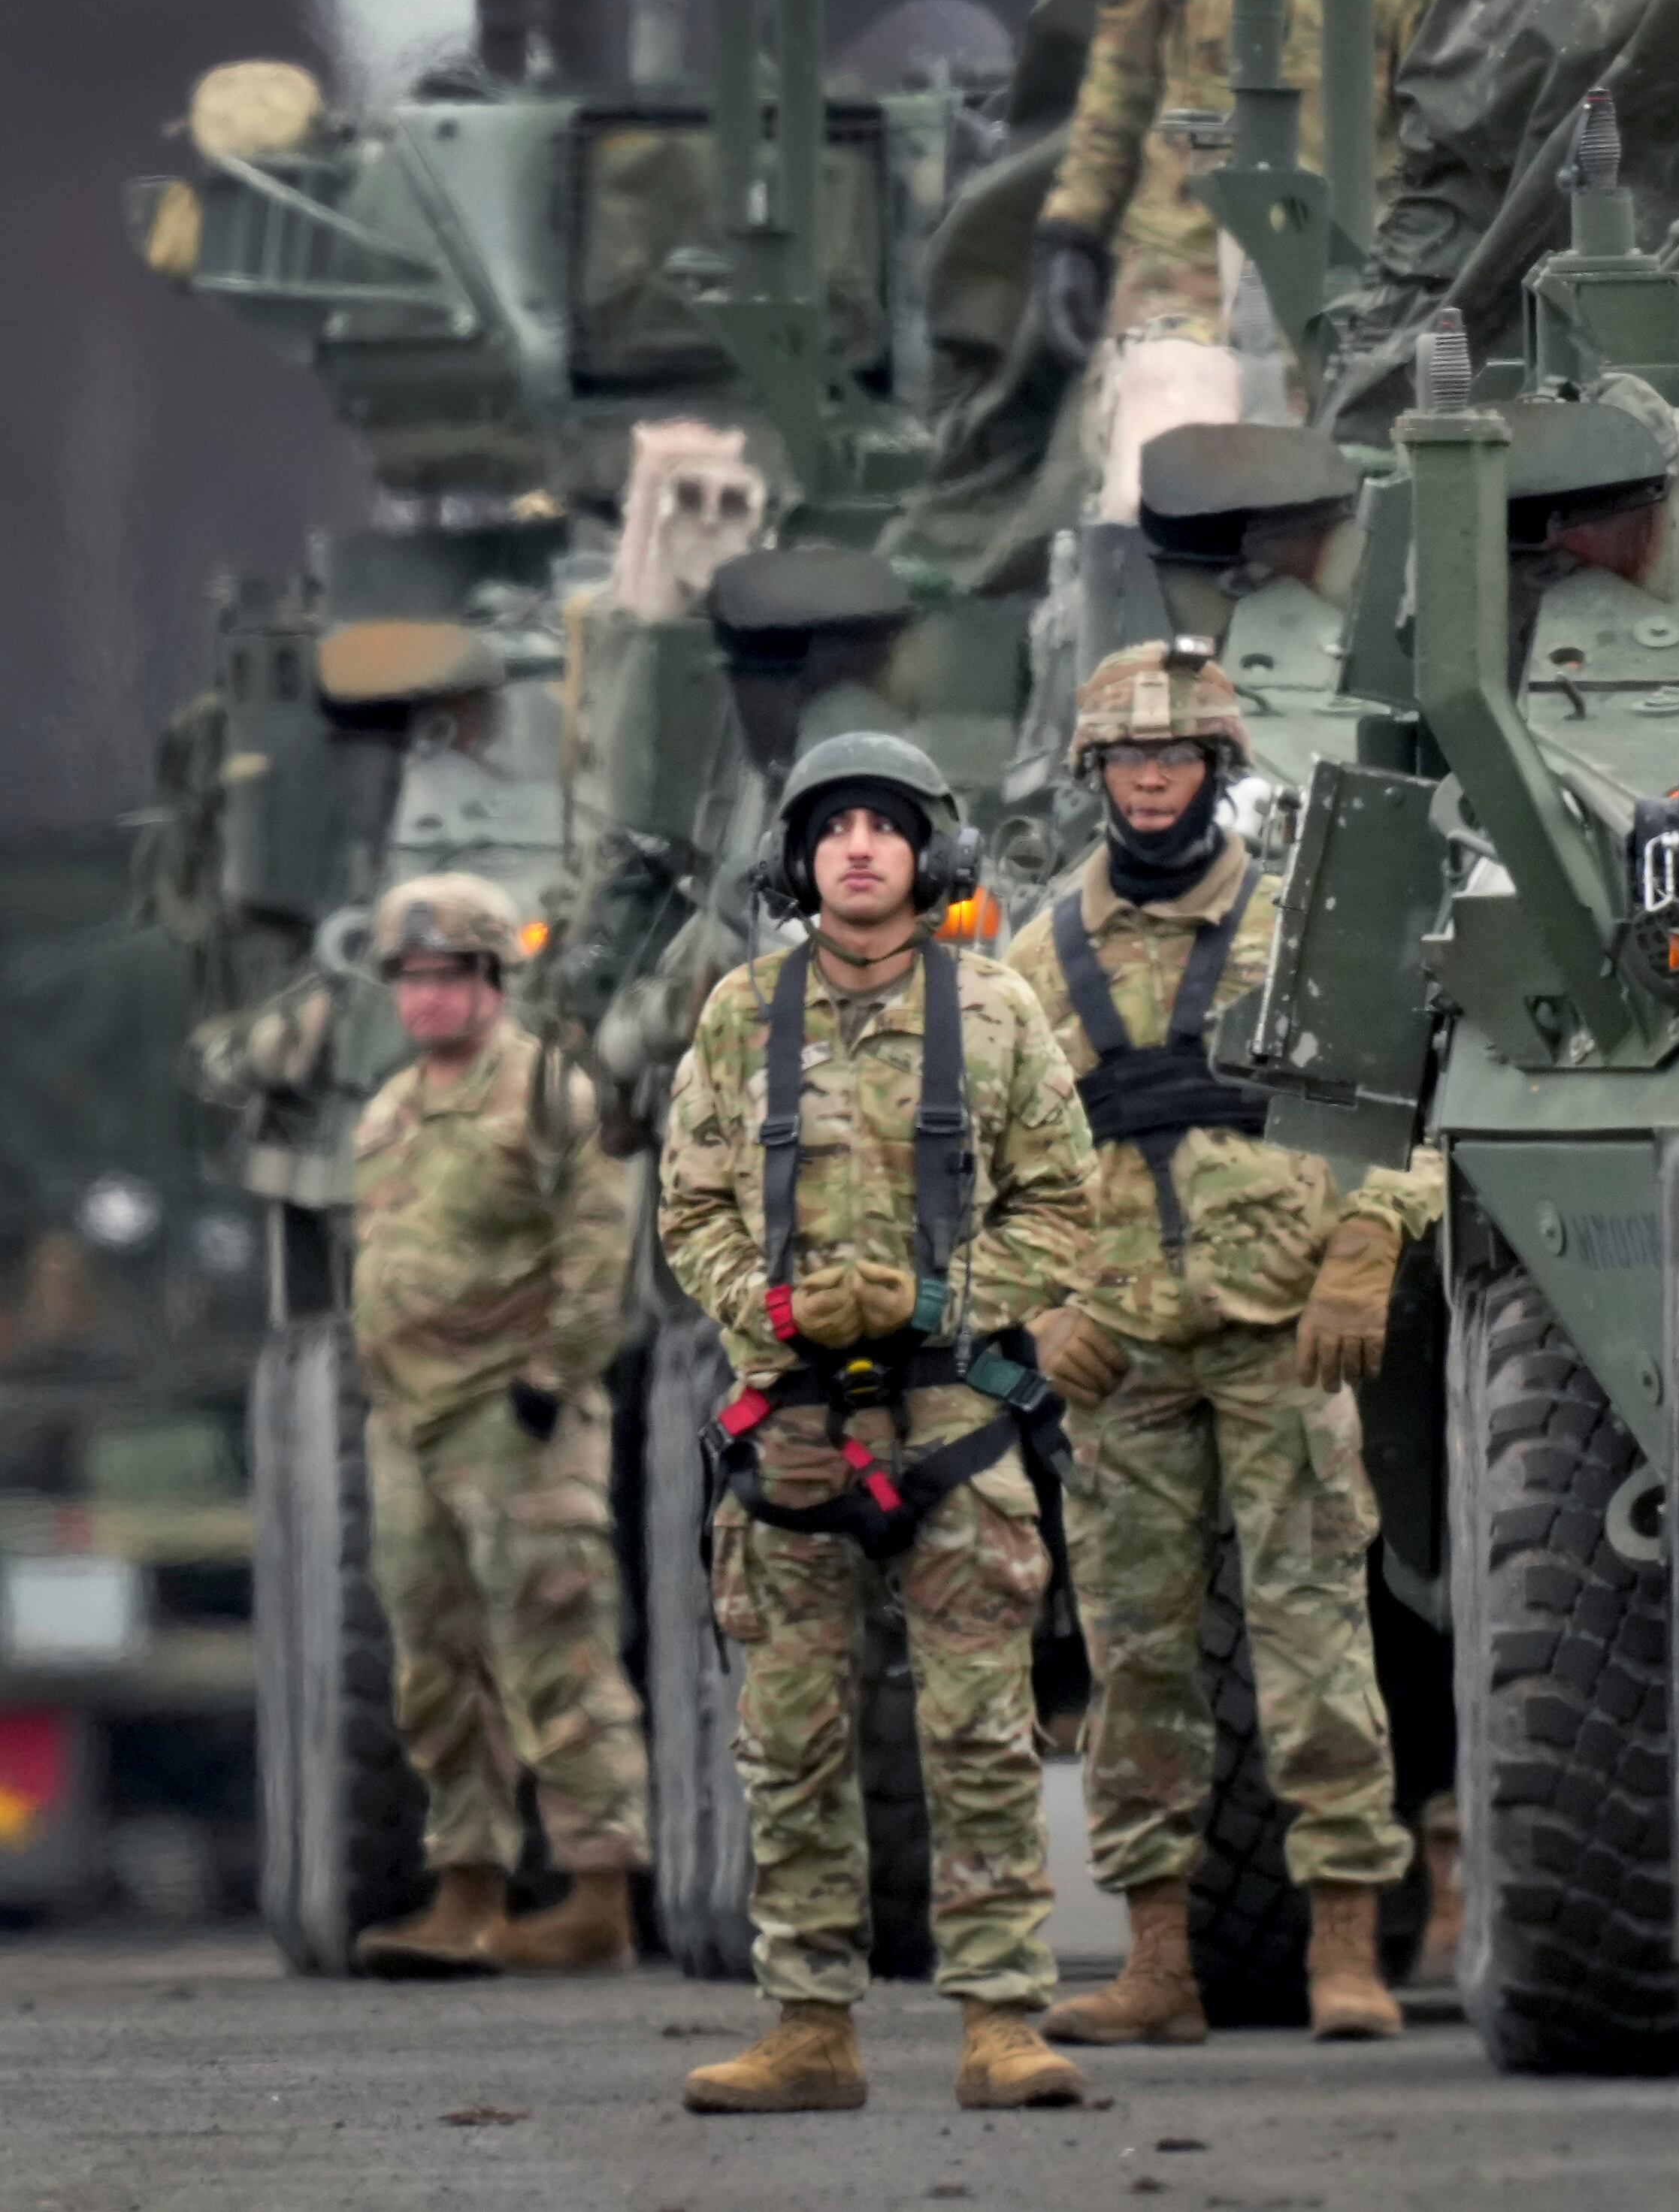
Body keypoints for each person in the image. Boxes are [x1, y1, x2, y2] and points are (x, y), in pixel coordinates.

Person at [1004, 639, 1439, 2047]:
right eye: (1129, 757)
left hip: (1283, 1337)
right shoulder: (1036, 959)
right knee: (1138, 1662)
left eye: (1176, 755)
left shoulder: (1301, 926)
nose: (1151, 779)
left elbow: (1403, 1098)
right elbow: (971, 1162)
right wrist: (1037, 1310)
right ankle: (1157, 1965)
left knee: (1319, 1643)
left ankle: (1345, 1949)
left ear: (1216, 767)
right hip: (1119, 1350)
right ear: (1095, 772)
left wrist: (1369, 1242)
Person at [657, 734, 1101, 2113]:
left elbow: (1066, 1206)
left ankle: (1002, 2020)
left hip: (954, 1415)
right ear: (799, 860)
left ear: (930, 857)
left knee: (981, 1735)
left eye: (885, 826)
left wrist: (943, 1297)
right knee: (790, 1742)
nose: (859, 847)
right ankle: (809, 2024)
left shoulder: (995, 1010)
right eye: (834, 827)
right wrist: (765, 1303)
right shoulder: (742, 1012)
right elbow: (690, 1204)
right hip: (790, 1426)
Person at [1029, 0, 1467, 503]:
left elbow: (1446, 135)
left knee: (1309, 501)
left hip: (1338, 284)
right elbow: (1116, 86)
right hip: (1180, 267)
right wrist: (1073, 228)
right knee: (1156, 482)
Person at [343, 872, 649, 1978]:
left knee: (555, 1645)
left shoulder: (549, 1090)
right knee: (436, 1662)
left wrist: (554, 1372)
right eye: (409, 978)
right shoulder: (388, 1110)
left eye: (446, 975)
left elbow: (599, 1235)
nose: (424, 997)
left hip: (514, 1416)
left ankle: (597, 1893)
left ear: (492, 979)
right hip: (410, 1421)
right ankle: (466, 1885)